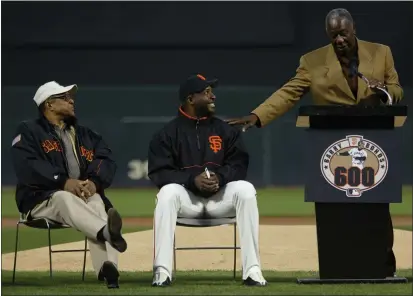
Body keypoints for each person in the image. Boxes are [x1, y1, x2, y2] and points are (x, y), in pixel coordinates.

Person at [227, 8, 399, 277]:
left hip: (373, 138)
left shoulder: (381, 52)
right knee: (337, 210)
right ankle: (337, 266)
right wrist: (257, 115)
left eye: (343, 33)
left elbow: (396, 90)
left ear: (353, 28)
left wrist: (384, 91)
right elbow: (289, 92)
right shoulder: (313, 61)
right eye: (333, 35)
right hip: (331, 142)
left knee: (376, 206)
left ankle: (382, 269)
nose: (339, 39)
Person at [148, 74, 267, 287]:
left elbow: (239, 165)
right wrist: (192, 180)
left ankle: (253, 271)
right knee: (167, 193)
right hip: (188, 202)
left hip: (220, 200)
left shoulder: (226, 130)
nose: (213, 96)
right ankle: (162, 272)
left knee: (246, 189)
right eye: (207, 92)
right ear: (191, 99)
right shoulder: (166, 134)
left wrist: (220, 177)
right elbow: (159, 172)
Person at [10, 81, 127, 288]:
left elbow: (106, 160)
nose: (71, 100)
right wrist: (62, 181)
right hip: (40, 201)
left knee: (97, 200)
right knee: (63, 197)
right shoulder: (28, 131)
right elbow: (27, 167)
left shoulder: (86, 135)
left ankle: (108, 270)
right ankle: (106, 232)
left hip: (79, 196)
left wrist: (94, 182)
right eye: (64, 97)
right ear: (49, 104)